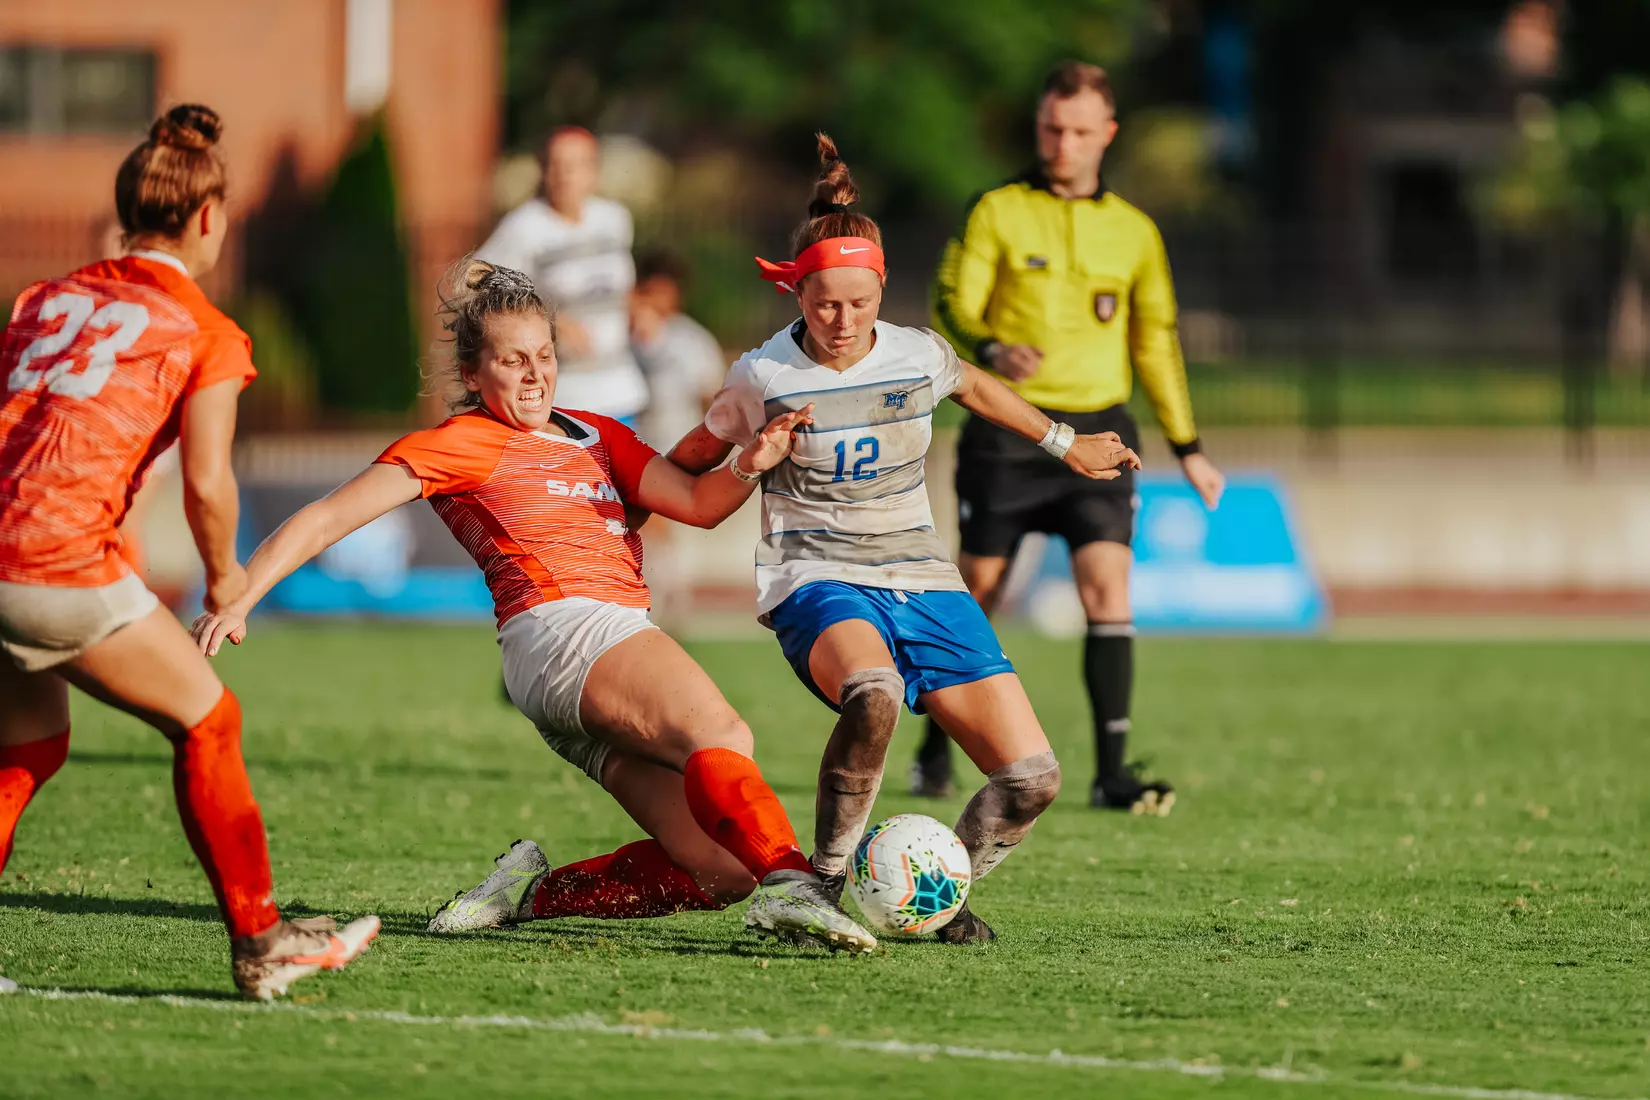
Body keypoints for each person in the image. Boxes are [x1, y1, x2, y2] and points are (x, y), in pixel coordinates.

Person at [189, 258, 879, 954]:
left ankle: (524, 894)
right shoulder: (461, 443)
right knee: (722, 734)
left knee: (721, 869)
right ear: (472, 374)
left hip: (586, 658)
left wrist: (750, 460)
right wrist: (239, 595)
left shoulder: (597, 435)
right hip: (563, 629)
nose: (533, 375)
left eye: (543, 356)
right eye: (512, 361)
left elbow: (697, 504)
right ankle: (797, 887)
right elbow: (326, 518)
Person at [660, 136, 1142, 944]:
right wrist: (696, 476)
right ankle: (819, 885)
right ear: (796, 291)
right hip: (816, 575)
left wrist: (1066, 443)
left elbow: (974, 383)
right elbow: (688, 462)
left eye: (859, 302)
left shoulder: (916, 355)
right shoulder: (762, 377)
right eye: (824, 304)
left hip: (922, 575)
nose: (842, 321)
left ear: (881, 288)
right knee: (874, 691)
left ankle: (935, 895)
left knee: (1032, 779)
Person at [0, 104, 379, 1001]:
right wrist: (226, 582)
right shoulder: (205, 329)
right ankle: (261, 941)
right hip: (55, 561)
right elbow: (208, 482)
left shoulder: (42, 298)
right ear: (209, 217)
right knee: (210, 722)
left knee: (28, 745)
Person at [909, 60, 1226, 813]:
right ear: (1039, 126)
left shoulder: (1135, 231)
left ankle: (1112, 772)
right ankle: (936, 742)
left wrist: (1188, 447)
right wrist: (991, 348)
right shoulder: (997, 210)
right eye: (1053, 128)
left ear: (1107, 133)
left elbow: (1156, 341)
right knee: (981, 588)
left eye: (1080, 131)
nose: (1064, 143)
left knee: (1108, 587)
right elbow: (950, 301)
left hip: (1103, 430)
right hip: (1009, 430)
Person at [475, 126, 648, 425]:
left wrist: (640, 310)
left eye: (574, 165)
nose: (563, 175)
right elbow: (478, 277)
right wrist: (549, 320)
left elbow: (617, 286)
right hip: (565, 392)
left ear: (594, 172)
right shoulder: (525, 226)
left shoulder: (615, 219)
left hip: (618, 384)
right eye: (554, 164)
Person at [630, 249, 727, 452]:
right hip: (632, 451)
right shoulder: (619, 338)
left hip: (678, 451)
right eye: (649, 291)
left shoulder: (693, 339)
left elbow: (714, 398)